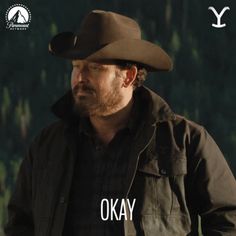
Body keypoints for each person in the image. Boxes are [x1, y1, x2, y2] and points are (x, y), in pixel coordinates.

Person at [4, 9, 236, 236]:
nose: (80, 78)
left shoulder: (185, 141)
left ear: (128, 76)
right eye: (76, 67)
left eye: (95, 68)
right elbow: (20, 223)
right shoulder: (47, 146)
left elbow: (229, 218)